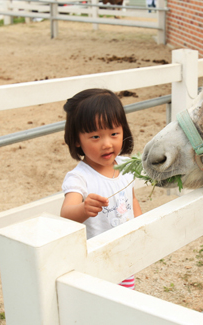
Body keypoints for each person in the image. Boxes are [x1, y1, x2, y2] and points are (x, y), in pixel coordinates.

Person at [60, 88, 142, 290]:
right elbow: (65, 214)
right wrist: (83, 209)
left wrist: (142, 228)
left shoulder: (126, 166)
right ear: (77, 140)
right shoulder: (80, 178)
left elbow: (132, 201)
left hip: (124, 254)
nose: (107, 144)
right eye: (95, 137)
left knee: (126, 298)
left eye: (114, 133)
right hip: (95, 262)